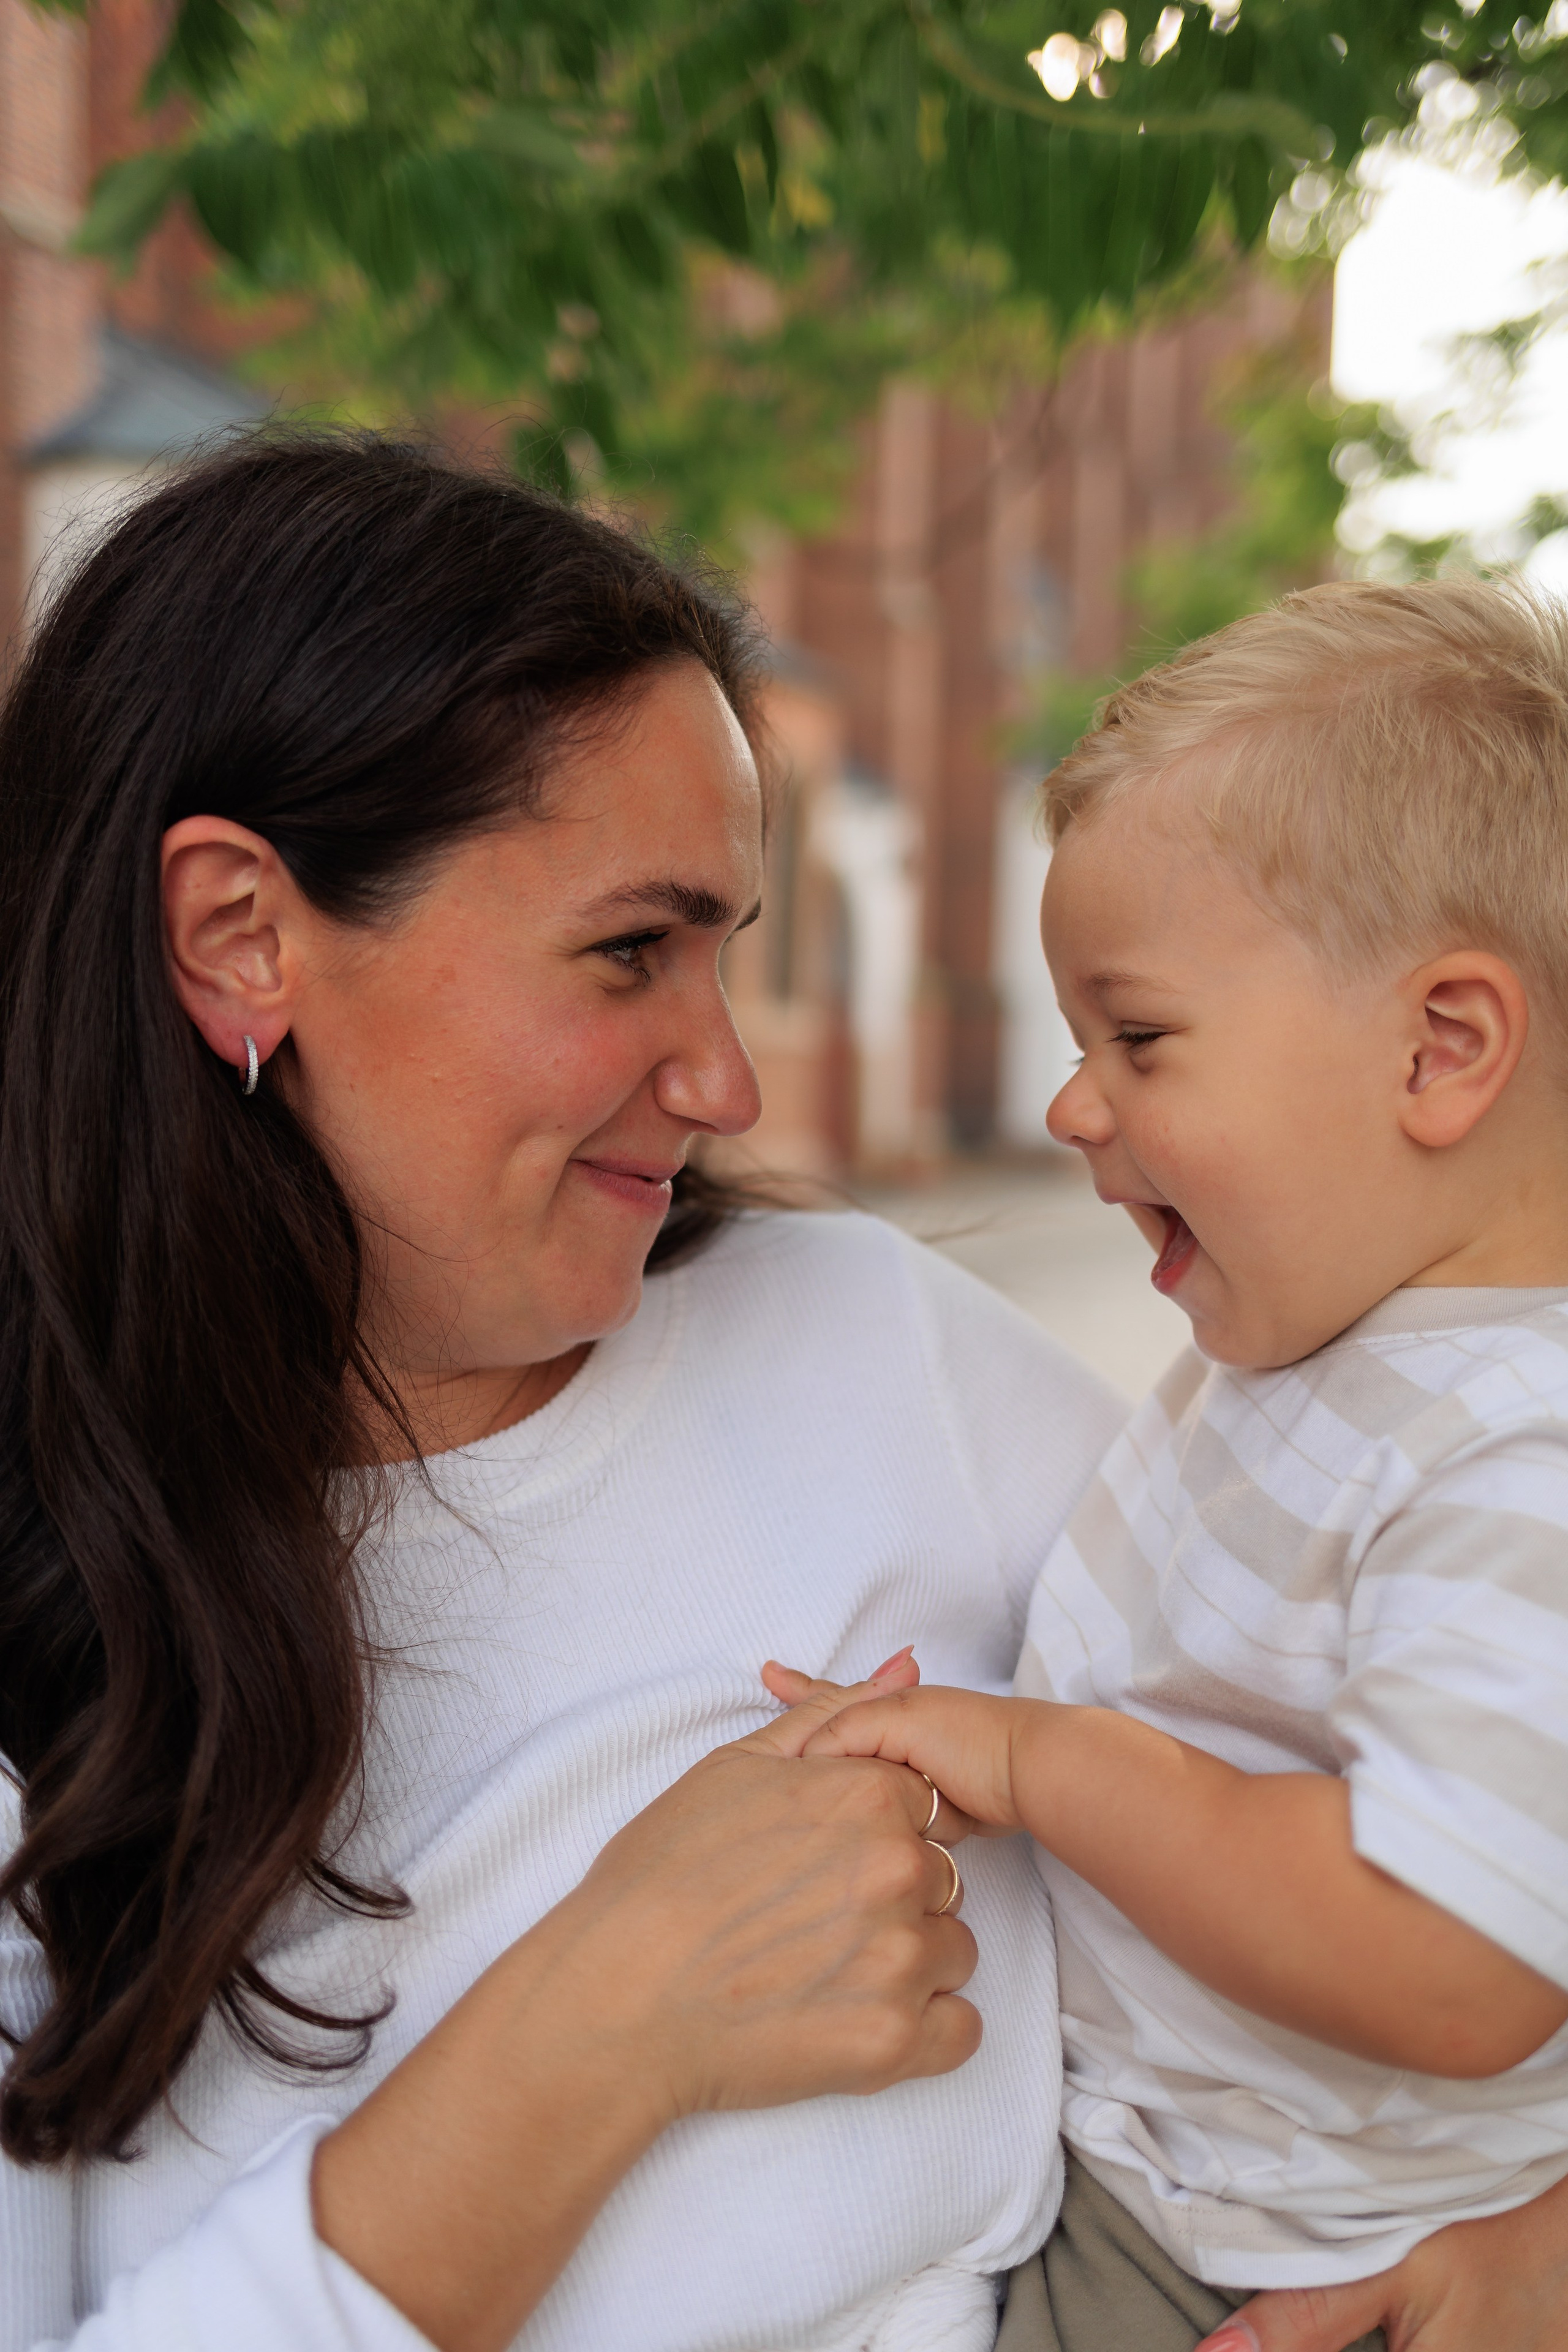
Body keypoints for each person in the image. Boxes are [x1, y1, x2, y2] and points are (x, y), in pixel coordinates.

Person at [0, 431, 1127, 2352]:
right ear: (239, 937)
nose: (728, 1083)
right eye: (629, 952)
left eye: (724, 959)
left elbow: (1430, 1753)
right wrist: (612, 2013)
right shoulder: (45, 1629)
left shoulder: (864, 1340)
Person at [782, 575, 1568, 2352]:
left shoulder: (1518, 1455)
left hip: (1272, 2268)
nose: (1072, 1107)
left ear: (1441, 1049)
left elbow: (1450, 1961)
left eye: (1137, 1039)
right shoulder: (1340, 1342)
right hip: (1167, 2183)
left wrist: (1048, 1764)